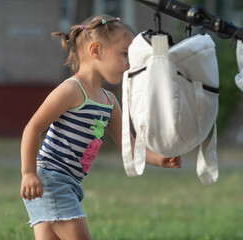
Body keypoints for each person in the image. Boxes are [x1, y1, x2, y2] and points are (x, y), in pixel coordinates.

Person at [20, 15, 181, 240]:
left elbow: (130, 146)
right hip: (51, 181)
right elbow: (33, 127)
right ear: (96, 50)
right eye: (124, 54)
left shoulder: (109, 101)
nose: (129, 63)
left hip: (68, 183)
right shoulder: (71, 90)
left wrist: (159, 159)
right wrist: (28, 173)